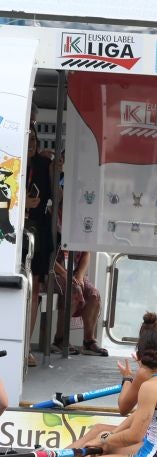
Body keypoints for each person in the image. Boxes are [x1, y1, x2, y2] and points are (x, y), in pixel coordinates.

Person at [79, 313, 157, 457]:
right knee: (102, 440)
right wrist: (107, 438)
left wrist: (104, 439)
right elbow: (140, 417)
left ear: (139, 355)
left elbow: (134, 434)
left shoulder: (150, 386)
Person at [23, 127, 55, 367]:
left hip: (38, 231)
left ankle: (25, 347)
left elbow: (57, 196)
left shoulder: (44, 165)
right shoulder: (9, 161)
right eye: (28, 138)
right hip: (12, 231)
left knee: (33, 289)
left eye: (34, 138)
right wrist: (23, 203)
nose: (32, 143)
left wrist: (56, 169)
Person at [51, 249, 107, 356]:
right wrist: (64, 274)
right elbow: (47, 257)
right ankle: (59, 339)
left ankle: (89, 341)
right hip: (53, 273)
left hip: (74, 273)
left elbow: (86, 252)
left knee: (94, 295)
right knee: (73, 291)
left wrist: (80, 275)